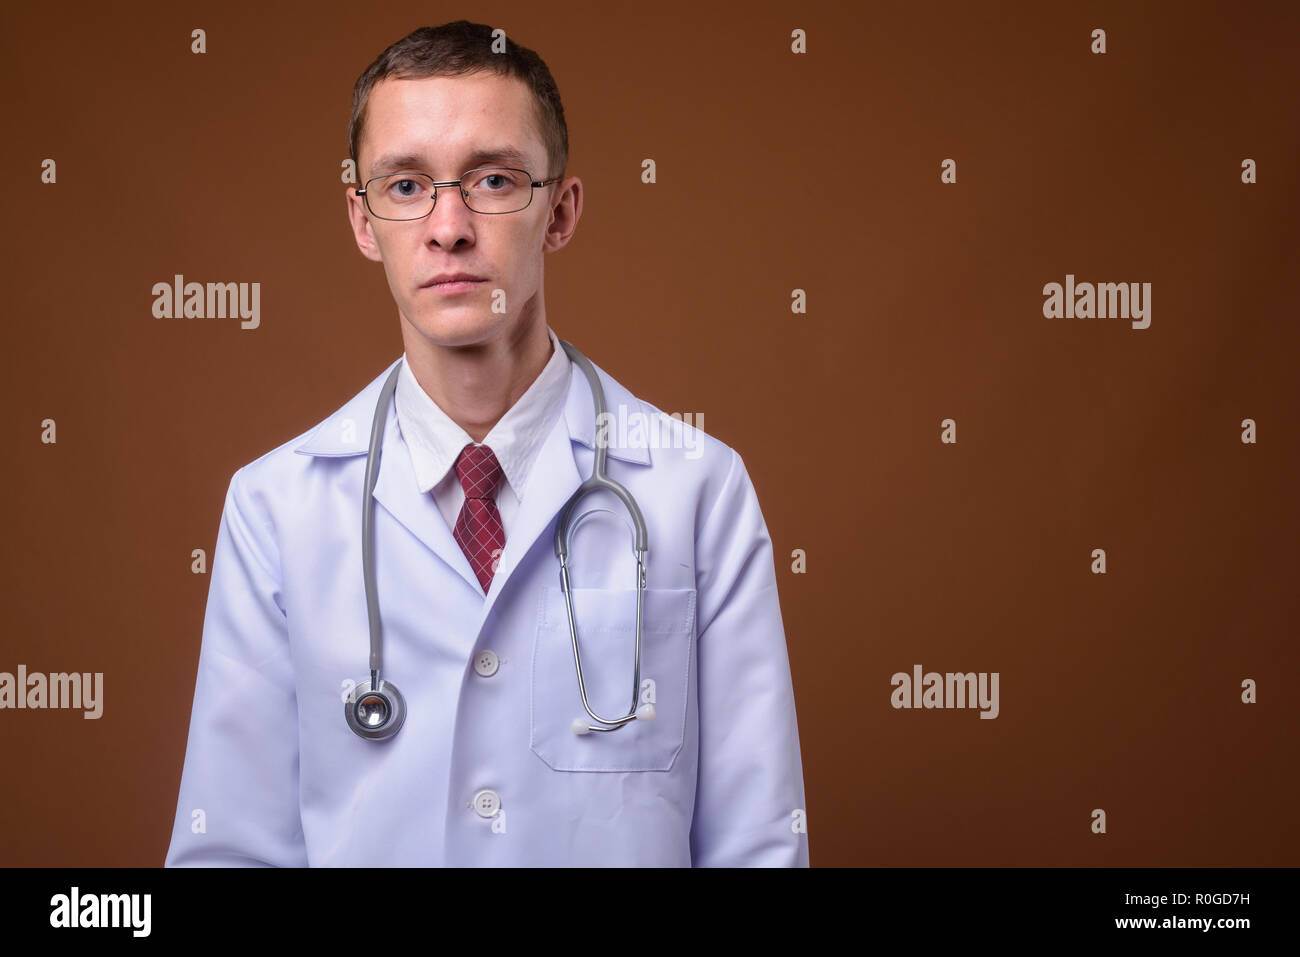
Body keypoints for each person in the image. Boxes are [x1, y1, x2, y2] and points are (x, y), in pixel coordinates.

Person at [164, 20, 808, 867]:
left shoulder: (697, 489)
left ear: (561, 212)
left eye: (494, 179)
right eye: (405, 186)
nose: (449, 226)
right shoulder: (275, 506)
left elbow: (758, 849)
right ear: (362, 221)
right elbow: (229, 851)